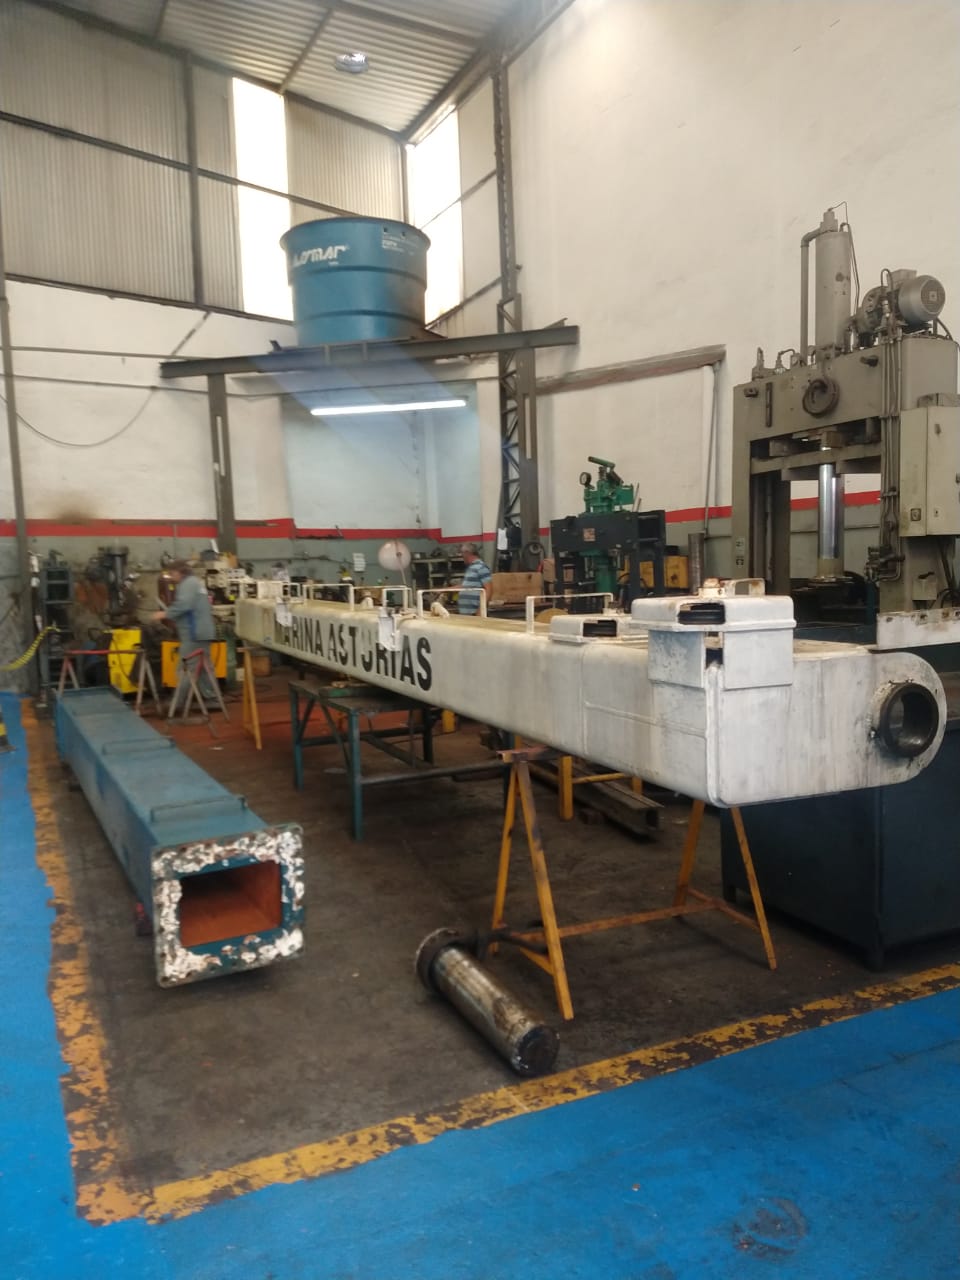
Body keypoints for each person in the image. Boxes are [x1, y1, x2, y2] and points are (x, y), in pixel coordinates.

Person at [152, 559, 218, 702]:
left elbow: (184, 605)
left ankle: (177, 702)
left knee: (186, 667)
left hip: (194, 634)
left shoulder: (187, 584)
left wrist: (165, 614)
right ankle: (212, 698)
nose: (171, 577)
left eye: (172, 573)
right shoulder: (195, 583)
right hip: (203, 632)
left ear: (180, 572)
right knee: (204, 668)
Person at [457, 543, 492, 616]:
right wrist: (444, 590)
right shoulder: (471, 568)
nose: (462, 556)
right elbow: (464, 587)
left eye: (462, 553)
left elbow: (489, 590)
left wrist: (481, 610)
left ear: (467, 553)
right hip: (467, 613)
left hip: (474, 613)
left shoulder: (481, 567)